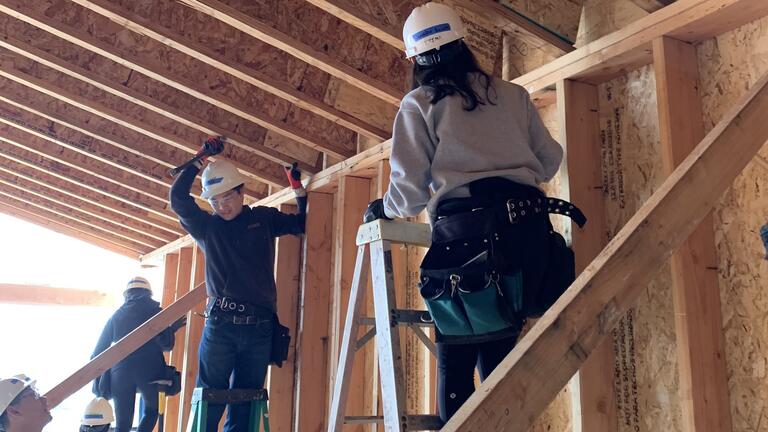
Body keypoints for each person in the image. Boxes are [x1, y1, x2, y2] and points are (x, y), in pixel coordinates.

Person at [363, 2, 583, 422]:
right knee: (500, 363)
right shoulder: (513, 95)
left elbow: (407, 196)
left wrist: (382, 208)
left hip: (466, 252)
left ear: (413, 59)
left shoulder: (420, 104)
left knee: (456, 368)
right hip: (526, 246)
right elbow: (550, 161)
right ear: (463, 43)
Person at [169, 139, 307, 431]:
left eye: (227, 197)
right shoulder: (207, 228)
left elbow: (301, 224)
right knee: (210, 400)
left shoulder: (263, 219)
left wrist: (297, 187)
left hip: (259, 328)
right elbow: (178, 199)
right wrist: (199, 161)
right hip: (221, 326)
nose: (222, 205)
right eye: (215, 201)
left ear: (241, 192)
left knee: (245, 407)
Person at [91, 277, 184, 432]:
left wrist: (98, 384)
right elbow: (167, 345)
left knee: (123, 424)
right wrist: (170, 330)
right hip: (150, 372)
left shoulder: (116, 316)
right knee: (151, 412)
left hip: (120, 373)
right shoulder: (156, 312)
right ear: (148, 293)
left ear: (127, 294)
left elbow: (98, 352)